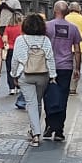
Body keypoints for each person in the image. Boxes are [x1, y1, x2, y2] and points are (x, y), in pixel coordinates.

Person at [10, 12, 52, 144]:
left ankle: (35, 133)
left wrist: (14, 74)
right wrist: (53, 75)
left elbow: (15, 59)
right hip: (42, 75)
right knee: (37, 102)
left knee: (31, 103)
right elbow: (50, 59)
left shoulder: (20, 40)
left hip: (25, 74)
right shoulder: (46, 40)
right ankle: (34, 129)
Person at [42, 1, 79, 139]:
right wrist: (78, 68)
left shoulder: (47, 26)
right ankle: (59, 130)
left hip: (48, 66)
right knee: (63, 97)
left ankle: (49, 125)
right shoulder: (73, 28)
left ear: (55, 10)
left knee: (49, 96)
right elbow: (77, 50)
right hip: (66, 66)